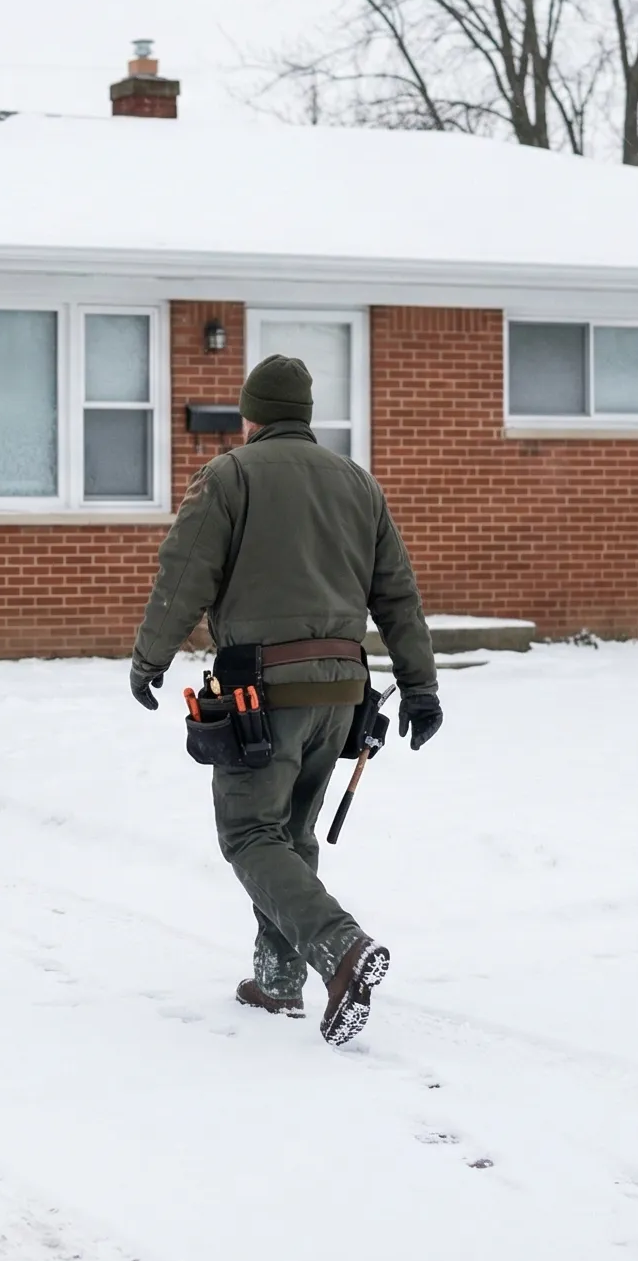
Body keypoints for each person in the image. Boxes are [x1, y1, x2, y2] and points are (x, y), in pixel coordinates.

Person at [128, 354, 442, 1046]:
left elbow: (184, 575)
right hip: (340, 693)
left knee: (248, 833)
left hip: (261, 691)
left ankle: (338, 947)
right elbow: (397, 596)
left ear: (253, 415)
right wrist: (419, 687)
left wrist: (151, 656)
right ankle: (277, 983)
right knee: (292, 834)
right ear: (304, 416)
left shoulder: (230, 476)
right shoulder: (360, 485)